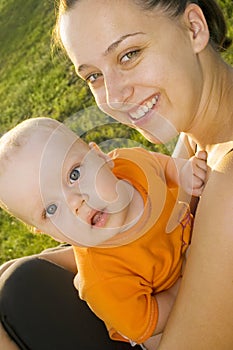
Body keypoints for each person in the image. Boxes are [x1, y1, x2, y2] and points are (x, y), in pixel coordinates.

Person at [1, 0, 232, 348]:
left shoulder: (228, 185)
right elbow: (142, 227)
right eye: (94, 75)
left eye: (129, 54)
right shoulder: (198, 135)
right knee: (19, 278)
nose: (113, 97)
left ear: (194, 28)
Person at [0, 117, 207, 349]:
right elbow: (146, 324)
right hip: (158, 314)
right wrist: (187, 284)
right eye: (51, 209)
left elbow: (163, 167)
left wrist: (183, 173)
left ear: (101, 157)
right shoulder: (102, 278)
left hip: (183, 242)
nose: (76, 203)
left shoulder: (130, 165)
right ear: (49, 233)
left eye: (74, 175)